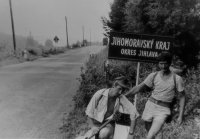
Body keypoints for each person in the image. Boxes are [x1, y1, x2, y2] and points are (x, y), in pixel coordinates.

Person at [125, 52, 186, 139]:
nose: (163, 66)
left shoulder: (177, 79)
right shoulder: (153, 76)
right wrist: (124, 96)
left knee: (150, 136)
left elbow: (182, 96)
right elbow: (138, 88)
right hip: (150, 106)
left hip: (163, 109)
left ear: (169, 63)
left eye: (166, 63)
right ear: (158, 63)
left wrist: (180, 116)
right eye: (161, 63)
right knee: (150, 133)